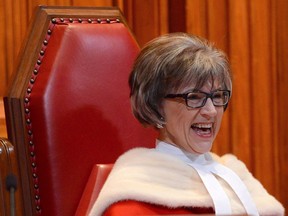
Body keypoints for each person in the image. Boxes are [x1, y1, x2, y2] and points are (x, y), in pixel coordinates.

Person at [89, 33, 284, 215]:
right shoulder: (131, 200)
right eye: (194, 97)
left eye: (217, 96)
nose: (210, 111)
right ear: (155, 106)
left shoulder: (236, 178)